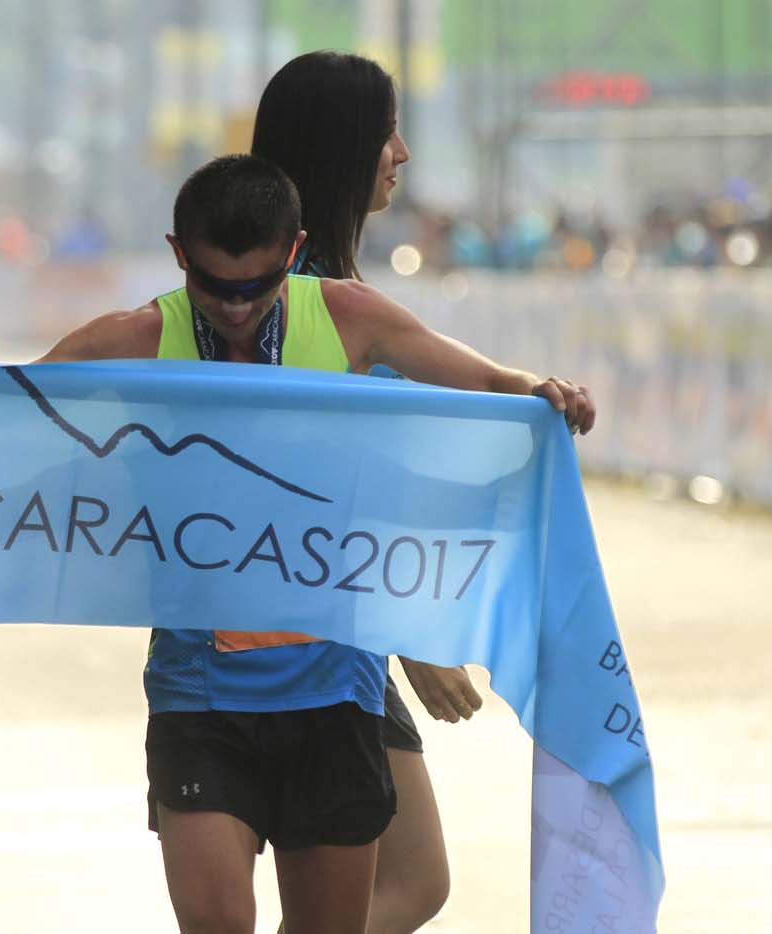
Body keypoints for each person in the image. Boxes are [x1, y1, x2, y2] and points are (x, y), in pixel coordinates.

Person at [0, 154, 593, 934]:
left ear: (292, 253)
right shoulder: (137, 338)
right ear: (178, 252)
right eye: (214, 287)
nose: (232, 307)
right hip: (200, 701)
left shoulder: (350, 317)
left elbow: (491, 384)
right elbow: (4, 414)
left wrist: (545, 391)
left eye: (256, 288)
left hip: (335, 697)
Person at [252, 50, 479, 933]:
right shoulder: (298, 304)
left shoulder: (323, 291)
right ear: (344, 144)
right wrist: (405, 632)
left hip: (332, 629)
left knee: (401, 884)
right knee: (403, 884)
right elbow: (304, 493)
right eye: (387, 131)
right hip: (293, 638)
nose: (404, 153)